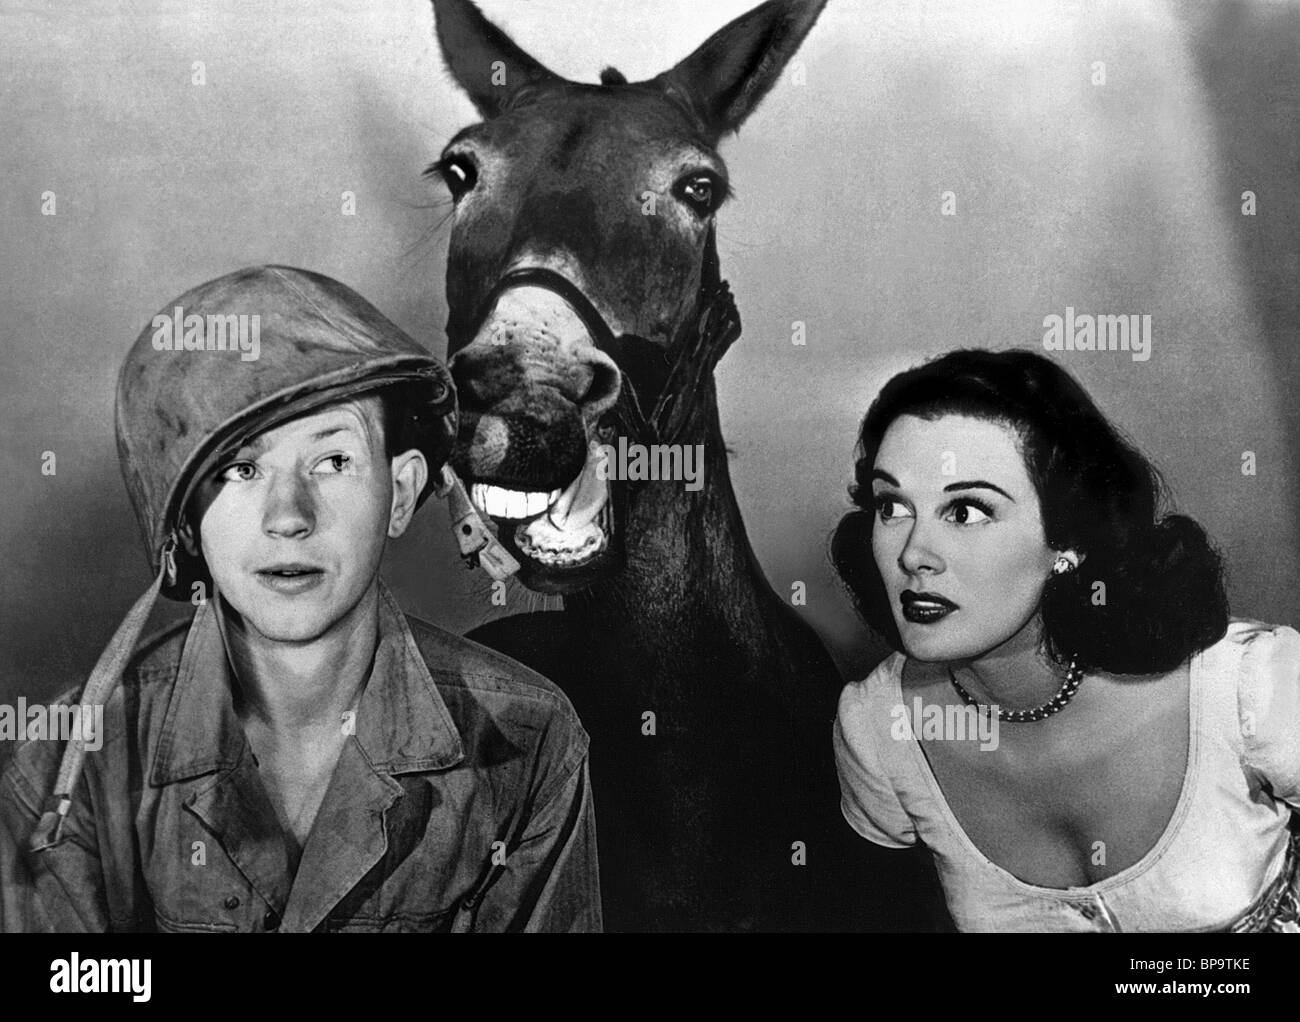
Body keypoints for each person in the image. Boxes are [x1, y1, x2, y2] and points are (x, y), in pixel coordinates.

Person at [0, 265, 601, 932]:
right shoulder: (76, 760)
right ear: (186, 522)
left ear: (400, 493)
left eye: (333, 461)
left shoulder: (524, 743)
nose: (288, 516)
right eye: (240, 468)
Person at [830, 348, 1299, 932]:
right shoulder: (877, 731)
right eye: (893, 506)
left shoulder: (1249, 686)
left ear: (1069, 542)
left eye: (967, 511)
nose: (912, 554)